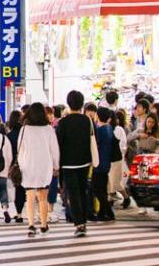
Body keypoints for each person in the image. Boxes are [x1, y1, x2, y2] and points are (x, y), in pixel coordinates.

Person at [56, 90, 95, 237]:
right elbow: (91, 140)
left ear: (69, 103)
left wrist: (57, 164)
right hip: (84, 162)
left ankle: (79, 223)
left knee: (73, 194)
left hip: (68, 163)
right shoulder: (87, 120)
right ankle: (83, 221)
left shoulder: (63, 122)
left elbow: (59, 144)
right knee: (83, 191)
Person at [19, 102, 60, 238]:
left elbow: (20, 149)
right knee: (43, 197)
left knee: (30, 197)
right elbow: (54, 149)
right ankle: (43, 225)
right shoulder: (48, 129)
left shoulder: (25, 129)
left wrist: (20, 165)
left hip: (28, 165)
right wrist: (56, 166)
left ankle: (31, 225)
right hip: (44, 166)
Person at [88, 106, 115, 221]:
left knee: (96, 188)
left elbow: (94, 144)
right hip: (106, 162)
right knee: (102, 188)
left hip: (99, 163)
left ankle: (109, 212)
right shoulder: (108, 128)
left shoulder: (100, 130)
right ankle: (102, 213)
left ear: (98, 116)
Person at [5, 110, 26, 222]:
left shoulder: (9, 136)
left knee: (17, 187)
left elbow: (7, 153)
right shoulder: (25, 133)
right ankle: (21, 213)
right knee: (24, 189)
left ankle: (19, 213)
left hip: (14, 165)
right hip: (26, 163)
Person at [109, 109, 130, 210]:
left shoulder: (118, 129)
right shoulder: (106, 128)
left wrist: (121, 154)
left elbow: (123, 144)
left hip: (117, 159)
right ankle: (111, 200)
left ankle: (126, 197)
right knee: (110, 182)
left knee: (116, 182)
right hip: (108, 159)